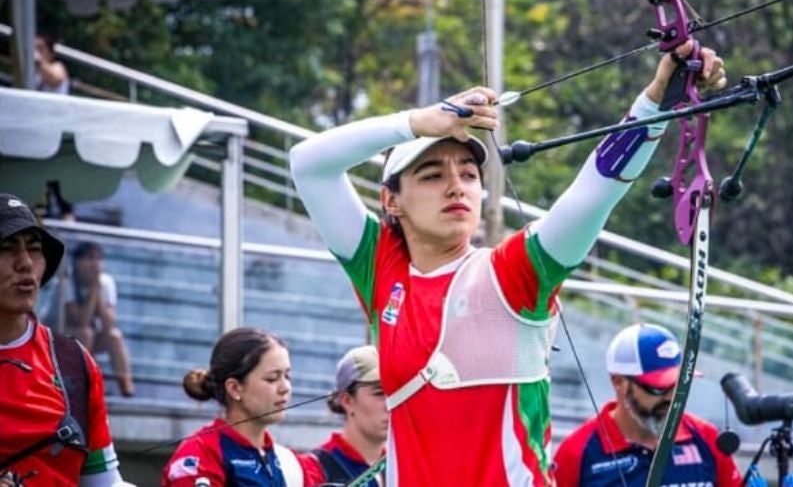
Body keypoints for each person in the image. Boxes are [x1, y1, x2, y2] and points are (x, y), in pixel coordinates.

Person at [289, 40, 725, 485]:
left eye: (468, 173)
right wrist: (417, 122)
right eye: (433, 175)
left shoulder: (511, 273)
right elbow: (306, 164)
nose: (456, 186)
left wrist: (654, 104)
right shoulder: (382, 269)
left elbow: (595, 192)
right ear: (391, 201)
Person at [0, 193, 125, 486]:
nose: (26, 263)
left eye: (34, 249)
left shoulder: (74, 362)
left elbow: (102, 481)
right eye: (7, 248)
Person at [552, 323, 742, 486]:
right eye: (658, 388)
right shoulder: (577, 451)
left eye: (677, 385)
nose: (671, 398)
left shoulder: (706, 437)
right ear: (619, 383)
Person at [161, 327, 326, 487]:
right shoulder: (200, 455)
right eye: (272, 378)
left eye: (287, 376)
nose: (285, 388)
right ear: (234, 388)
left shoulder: (293, 463)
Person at [62, 242, 134, 397]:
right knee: (85, 333)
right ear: (77, 262)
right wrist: (94, 292)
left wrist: (98, 291)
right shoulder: (67, 282)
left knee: (115, 336)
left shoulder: (106, 282)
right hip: (62, 334)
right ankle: (83, 384)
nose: (95, 264)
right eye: (89, 258)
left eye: (98, 258)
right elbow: (80, 320)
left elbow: (109, 323)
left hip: (91, 335)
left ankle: (127, 388)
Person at [313, 345, 387, 486]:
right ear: (347, 400)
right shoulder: (316, 467)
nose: (390, 404)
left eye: (395, 393)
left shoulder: (403, 465)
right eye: (379, 393)